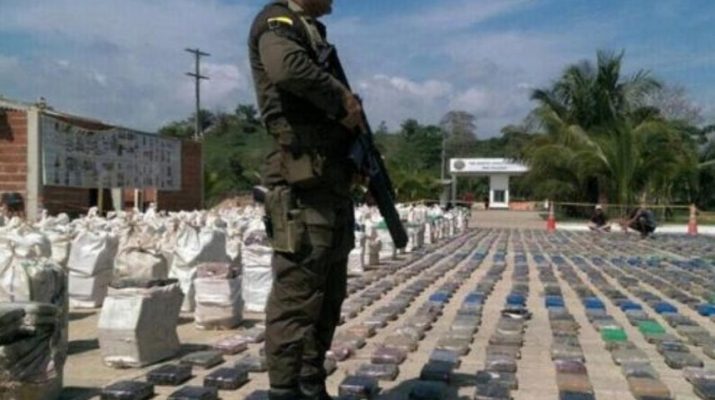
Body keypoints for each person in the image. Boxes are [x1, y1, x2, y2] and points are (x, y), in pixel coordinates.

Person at [248, 1, 362, 399]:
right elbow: (286, 68)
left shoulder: (310, 29)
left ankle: (311, 385)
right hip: (302, 189)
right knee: (297, 299)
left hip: (329, 186)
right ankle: (285, 390)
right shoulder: (277, 21)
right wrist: (342, 100)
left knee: (328, 296)